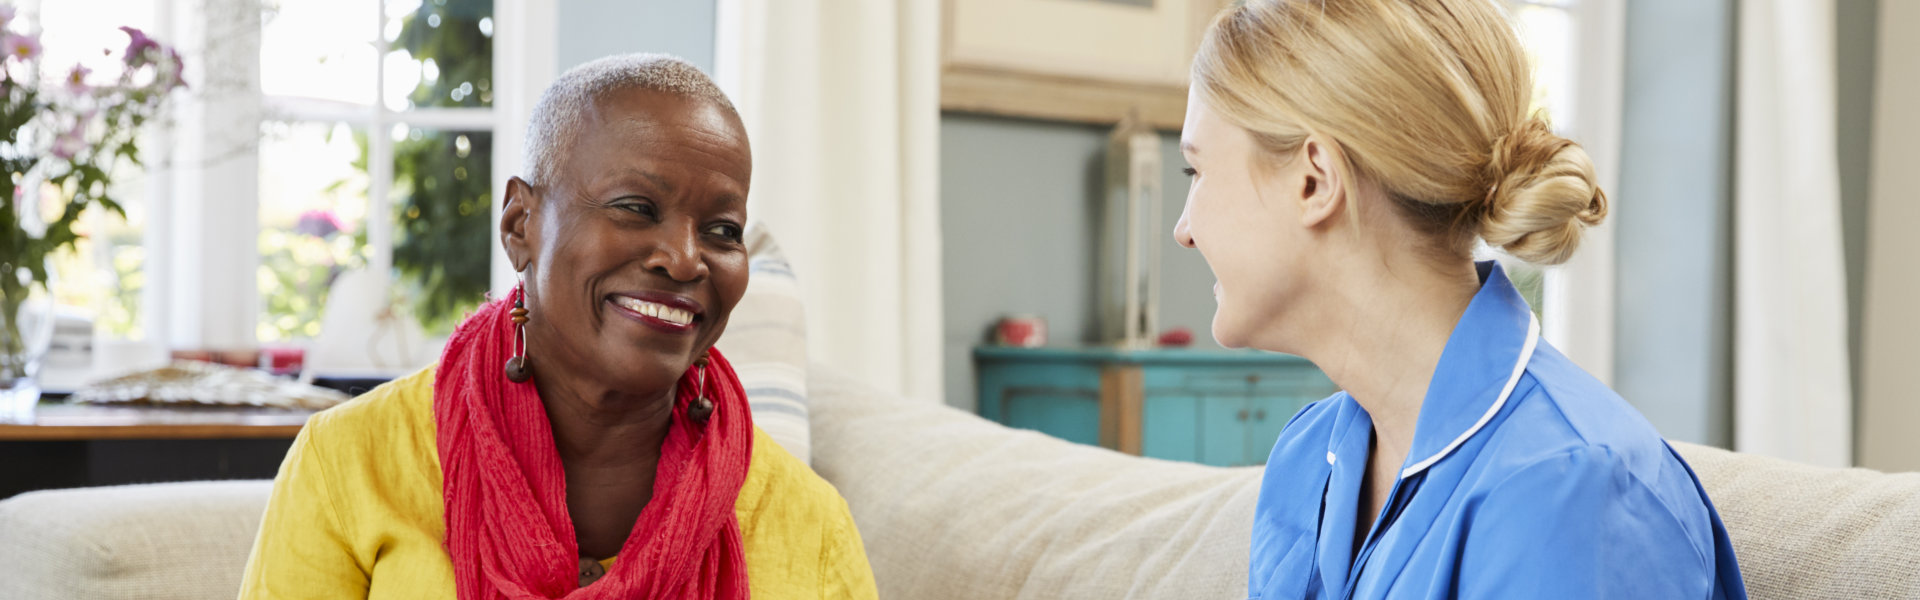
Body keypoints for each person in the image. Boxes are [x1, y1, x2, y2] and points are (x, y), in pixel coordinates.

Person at [239, 53, 878, 599]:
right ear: (521, 225)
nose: (684, 258)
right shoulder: (352, 462)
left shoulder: (810, 526)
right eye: (636, 207)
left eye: (723, 231)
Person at [1173, 1, 1747, 597]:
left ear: (1313, 181)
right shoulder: (1308, 455)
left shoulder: (1572, 488)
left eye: (1197, 173)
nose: (1183, 229)